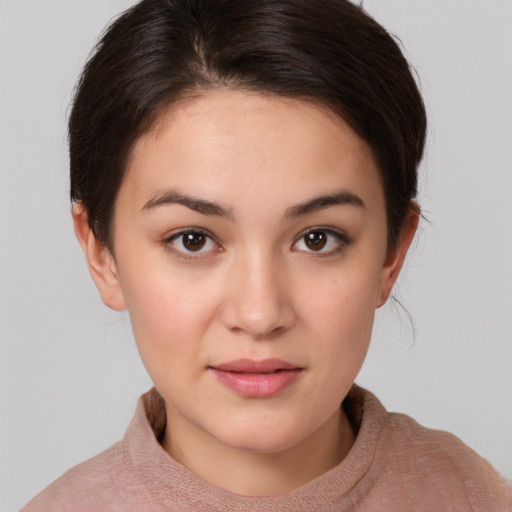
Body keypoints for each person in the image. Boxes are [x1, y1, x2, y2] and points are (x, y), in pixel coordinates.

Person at [20, 0, 511, 510]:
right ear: (101, 254)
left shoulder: (477, 496)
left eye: (318, 239)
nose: (259, 314)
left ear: (392, 253)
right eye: (193, 239)